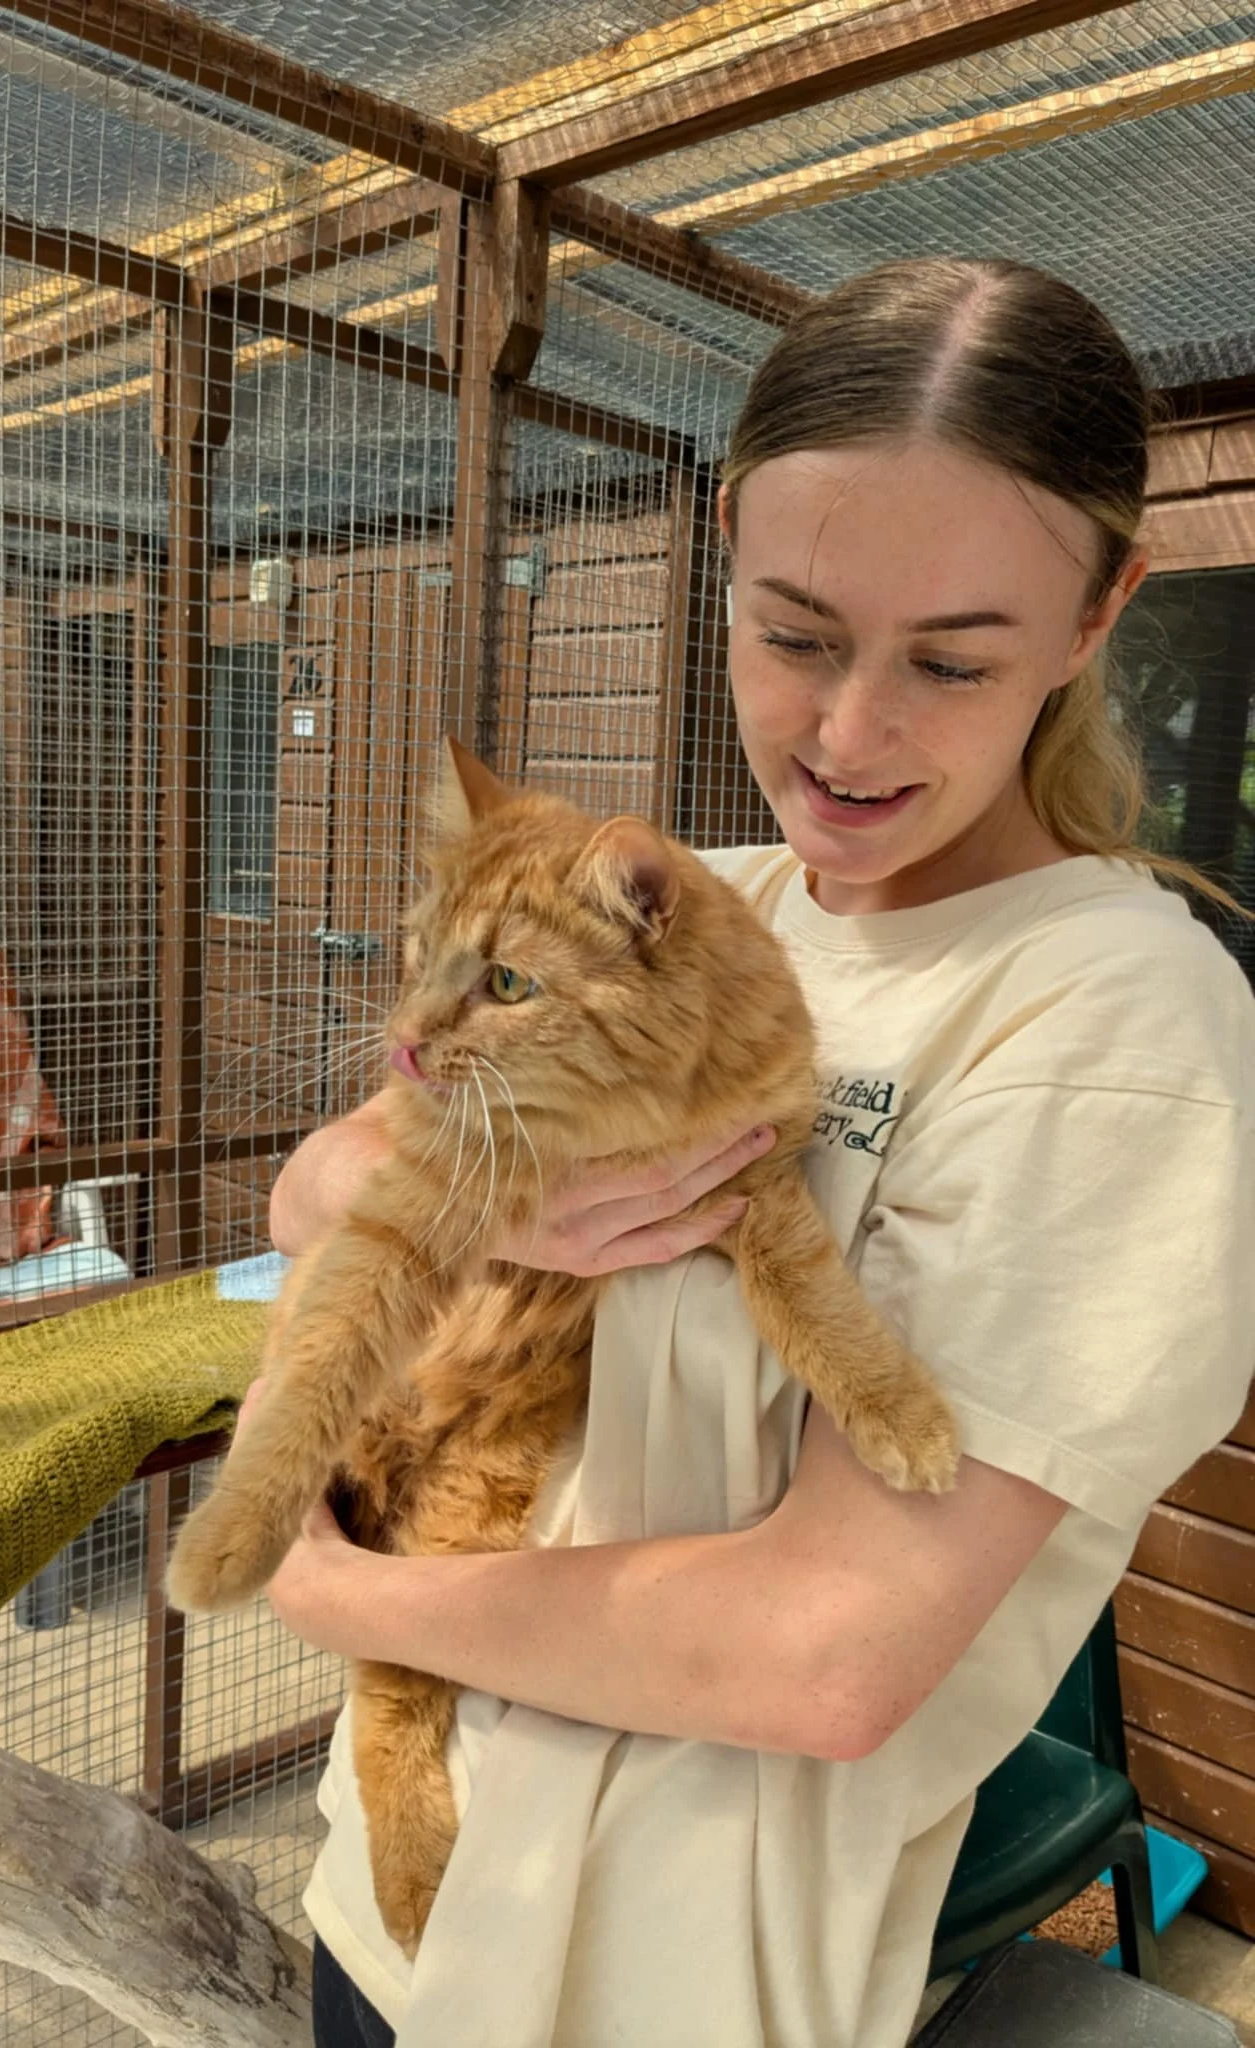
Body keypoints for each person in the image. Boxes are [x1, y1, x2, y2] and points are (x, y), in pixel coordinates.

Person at [257, 257, 1255, 2048]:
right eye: (796, 634)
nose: (847, 736)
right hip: (390, 1884)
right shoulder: (720, 898)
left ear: (1102, 616)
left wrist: (331, 1584)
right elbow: (319, 1183)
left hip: (661, 1977)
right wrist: (486, 1201)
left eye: (954, 662)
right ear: (723, 552)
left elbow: (829, 1653)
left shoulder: (1119, 1023)